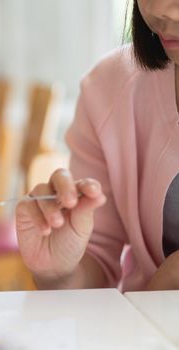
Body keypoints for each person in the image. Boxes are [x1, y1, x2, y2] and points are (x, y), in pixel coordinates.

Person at [15, 0, 179, 292]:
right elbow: (96, 270)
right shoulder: (110, 87)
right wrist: (60, 272)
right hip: (141, 334)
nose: (159, 10)